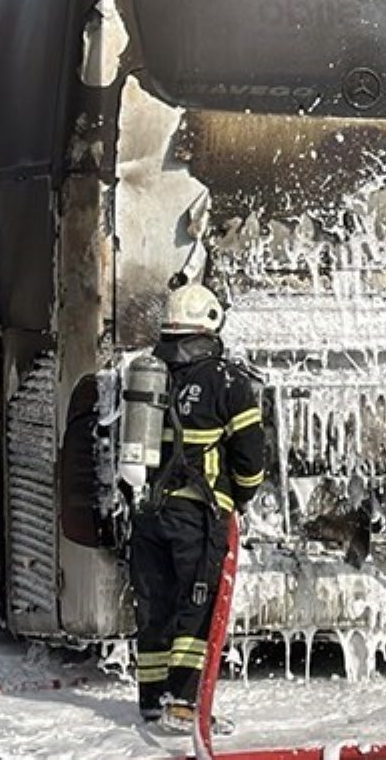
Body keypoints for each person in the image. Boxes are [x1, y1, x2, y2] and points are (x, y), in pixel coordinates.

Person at [133, 284, 266, 733]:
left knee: (155, 604)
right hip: (197, 515)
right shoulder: (227, 381)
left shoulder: (144, 371)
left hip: (145, 512)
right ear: (211, 323)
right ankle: (183, 705)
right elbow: (250, 459)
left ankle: (152, 700)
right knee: (198, 604)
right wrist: (241, 497)